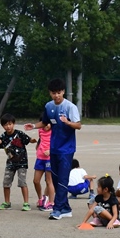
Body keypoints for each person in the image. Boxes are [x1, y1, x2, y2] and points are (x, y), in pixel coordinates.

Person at [24, 78, 82, 221]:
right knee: (55, 179)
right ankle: (66, 208)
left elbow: (78, 125)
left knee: (62, 178)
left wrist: (68, 122)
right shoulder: (49, 106)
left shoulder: (70, 107)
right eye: (53, 93)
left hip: (66, 149)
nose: (56, 95)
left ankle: (57, 209)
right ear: (50, 93)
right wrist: (33, 126)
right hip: (53, 147)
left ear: (63, 92)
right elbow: (45, 122)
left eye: (59, 92)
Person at [0, 113, 36, 211]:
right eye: (6, 125)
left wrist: (33, 140)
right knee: (6, 183)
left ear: (14, 124)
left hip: (22, 163)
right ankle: (7, 202)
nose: (8, 126)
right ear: (2, 126)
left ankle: (26, 203)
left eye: (10, 124)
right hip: (10, 163)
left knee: (22, 183)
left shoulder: (19, 133)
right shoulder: (3, 136)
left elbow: (28, 140)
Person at [32, 119, 54, 211]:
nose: (47, 125)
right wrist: (38, 147)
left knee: (49, 181)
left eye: (48, 123)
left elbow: (57, 144)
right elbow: (41, 139)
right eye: (44, 123)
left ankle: (51, 203)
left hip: (49, 159)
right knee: (36, 181)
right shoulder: (40, 130)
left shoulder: (54, 131)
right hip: (40, 158)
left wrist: (50, 151)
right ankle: (41, 198)